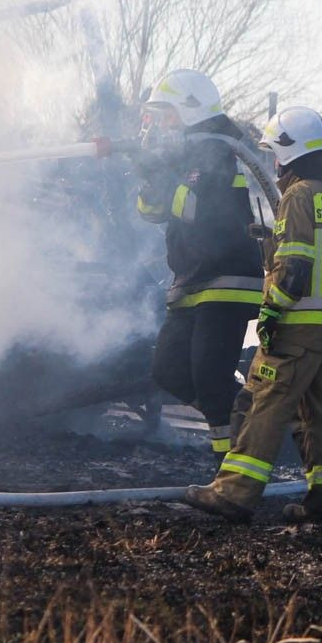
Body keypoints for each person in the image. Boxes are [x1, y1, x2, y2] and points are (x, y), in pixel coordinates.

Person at [184, 106, 322, 523]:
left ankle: (233, 493)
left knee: (258, 404)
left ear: (290, 150)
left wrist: (272, 312)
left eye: (275, 153)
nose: (273, 161)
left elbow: (295, 265)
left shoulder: (298, 197)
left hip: (296, 330)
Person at [135, 68, 264, 462]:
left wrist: (167, 177)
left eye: (167, 115)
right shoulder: (185, 155)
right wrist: (150, 177)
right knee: (168, 370)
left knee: (210, 376)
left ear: (190, 112)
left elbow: (202, 211)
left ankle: (231, 467)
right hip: (191, 279)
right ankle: (244, 418)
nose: (160, 125)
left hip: (226, 277)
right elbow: (152, 212)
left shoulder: (221, 151)